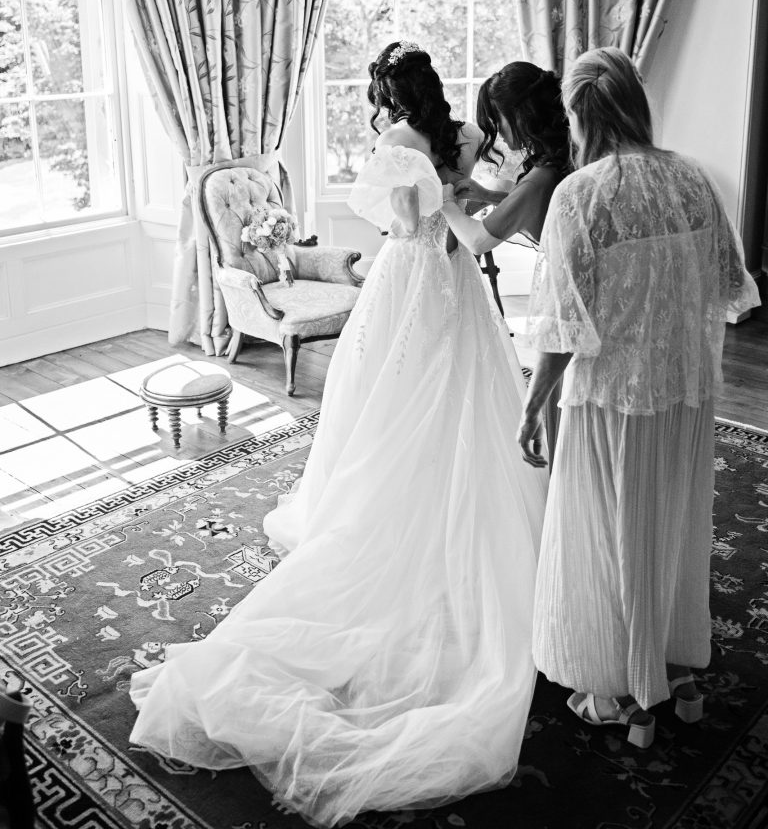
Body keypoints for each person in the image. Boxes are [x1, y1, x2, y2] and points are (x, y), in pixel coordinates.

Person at [128, 41, 548, 827]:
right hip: (456, 285)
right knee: (455, 397)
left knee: (386, 402)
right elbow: (478, 205)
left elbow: (395, 222)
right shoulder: (457, 140)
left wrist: (428, 198)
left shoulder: (393, 146)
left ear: (389, 96)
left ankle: (383, 506)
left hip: (407, 280)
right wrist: (461, 191)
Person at [515, 46, 759, 748]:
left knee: (605, 531)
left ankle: (625, 695)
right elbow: (725, 283)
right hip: (684, 391)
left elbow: (563, 324)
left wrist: (535, 404)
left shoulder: (581, 195)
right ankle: (676, 673)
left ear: (580, 117)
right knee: (672, 525)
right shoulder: (692, 180)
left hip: (610, 397)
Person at [440, 62, 571, 460]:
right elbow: (532, 203)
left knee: (557, 396)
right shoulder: (559, 156)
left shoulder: (539, 177)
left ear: (521, 115)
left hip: (563, 294)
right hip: (575, 284)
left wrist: (446, 204)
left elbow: (477, 240)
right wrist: (492, 196)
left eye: (498, 118)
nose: (497, 129)